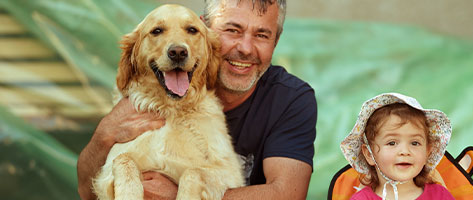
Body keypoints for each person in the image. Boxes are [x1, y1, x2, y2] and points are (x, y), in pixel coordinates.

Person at [76, 0, 317, 199]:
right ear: (207, 29)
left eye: (262, 35)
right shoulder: (139, 103)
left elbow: (287, 194)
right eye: (232, 30)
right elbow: (86, 191)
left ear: (276, 41)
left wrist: (181, 191)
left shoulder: (291, 98)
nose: (245, 48)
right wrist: (104, 133)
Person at [340, 93, 455, 200]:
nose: (405, 151)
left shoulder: (440, 196)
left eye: (415, 143)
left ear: (427, 152)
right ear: (369, 154)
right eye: (392, 143)